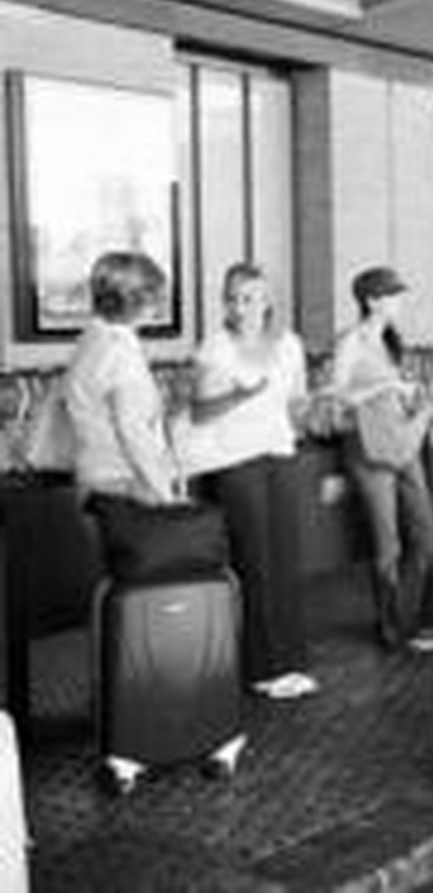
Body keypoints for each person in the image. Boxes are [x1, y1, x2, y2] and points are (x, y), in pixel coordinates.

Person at [187, 263, 316, 700]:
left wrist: (315, 405)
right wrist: (238, 396)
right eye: (235, 298)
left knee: (284, 559)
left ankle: (291, 661)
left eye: (251, 296)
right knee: (254, 560)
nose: (243, 306)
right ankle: (261, 668)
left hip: (279, 453)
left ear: (267, 300)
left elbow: (296, 404)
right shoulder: (215, 349)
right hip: (233, 461)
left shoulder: (290, 345)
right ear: (226, 302)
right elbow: (200, 412)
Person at [328, 266, 433, 653]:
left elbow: (388, 394)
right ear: (371, 300)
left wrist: (408, 395)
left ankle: (415, 617)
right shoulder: (350, 342)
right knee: (387, 543)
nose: (399, 301)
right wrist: (386, 384)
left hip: (402, 440)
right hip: (367, 448)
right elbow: (339, 399)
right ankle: (392, 627)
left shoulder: (392, 340)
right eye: (392, 295)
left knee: (425, 534)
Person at [62, 251, 181, 507]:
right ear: (138, 299)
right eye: (156, 296)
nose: (160, 303)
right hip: (124, 483)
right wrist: (166, 495)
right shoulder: (120, 353)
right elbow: (133, 434)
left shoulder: (90, 340)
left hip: (94, 479)